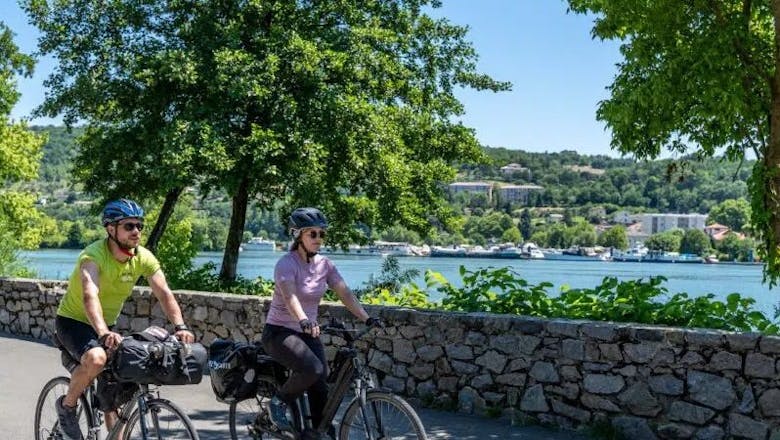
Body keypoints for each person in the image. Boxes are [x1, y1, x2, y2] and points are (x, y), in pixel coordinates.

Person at [54, 198, 195, 440]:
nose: (136, 231)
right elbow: (90, 295)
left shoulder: (143, 257)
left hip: (105, 326)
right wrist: (102, 333)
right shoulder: (93, 256)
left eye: (139, 226)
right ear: (111, 229)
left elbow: (164, 293)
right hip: (73, 322)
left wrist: (180, 326)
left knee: (117, 384)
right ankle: (67, 407)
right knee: (97, 358)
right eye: (129, 226)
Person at [262, 207, 381, 435]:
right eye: (312, 234)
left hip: (307, 332)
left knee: (321, 383)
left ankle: (319, 431)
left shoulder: (325, 265)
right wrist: (304, 319)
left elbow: (345, 293)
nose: (319, 239)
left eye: (322, 233)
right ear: (298, 235)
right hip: (279, 333)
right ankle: (278, 402)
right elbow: (290, 297)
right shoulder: (286, 264)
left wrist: (367, 318)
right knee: (312, 368)